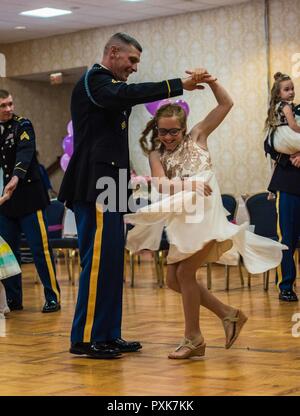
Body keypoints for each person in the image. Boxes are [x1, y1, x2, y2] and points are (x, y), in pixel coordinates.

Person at [58, 32, 209, 359]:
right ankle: (87, 339)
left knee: (112, 262)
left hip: (110, 184)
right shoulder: (94, 81)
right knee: (98, 263)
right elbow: (125, 95)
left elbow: (123, 97)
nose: (135, 68)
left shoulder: (107, 86)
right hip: (96, 184)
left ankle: (108, 334)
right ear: (112, 52)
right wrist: (176, 85)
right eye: (132, 60)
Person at [125, 74, 287, 359]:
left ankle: (194, 338)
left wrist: (212, 82)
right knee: (174, 280)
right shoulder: (156, 154)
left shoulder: (198, 135)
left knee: (185, 273)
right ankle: (228, 314)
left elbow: (226, 103)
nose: (168, 137)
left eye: (174, 132)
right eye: (163, 132)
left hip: (205, 212)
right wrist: (188, 185)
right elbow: (161, 184)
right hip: (182, 218)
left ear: (184, 128)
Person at [0, 89, 61, 312]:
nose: (8, 109)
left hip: (28, 198)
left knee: (40, 248)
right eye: (3, 106)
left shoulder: (23, 125)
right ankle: (14, 299)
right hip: (5, 202)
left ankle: (52, 296)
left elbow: (25, 153)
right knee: (8, 252)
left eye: (10, 104)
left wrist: (16, 177)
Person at [264, 74, 300, 302]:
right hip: (287, 184)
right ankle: (286, 285)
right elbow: (269, 145)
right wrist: (291, 156)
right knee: (287, 237)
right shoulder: (278, 114)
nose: (292, 92)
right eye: (287, 89)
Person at [265, 72, 300, 155]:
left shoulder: (277, 105)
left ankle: (294, 155)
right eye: (287, 89)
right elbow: (293, 125)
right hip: (286, 137)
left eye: (292, 89)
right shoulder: (285, 106)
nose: (291, 92)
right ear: (278, 93)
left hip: (277, 139)